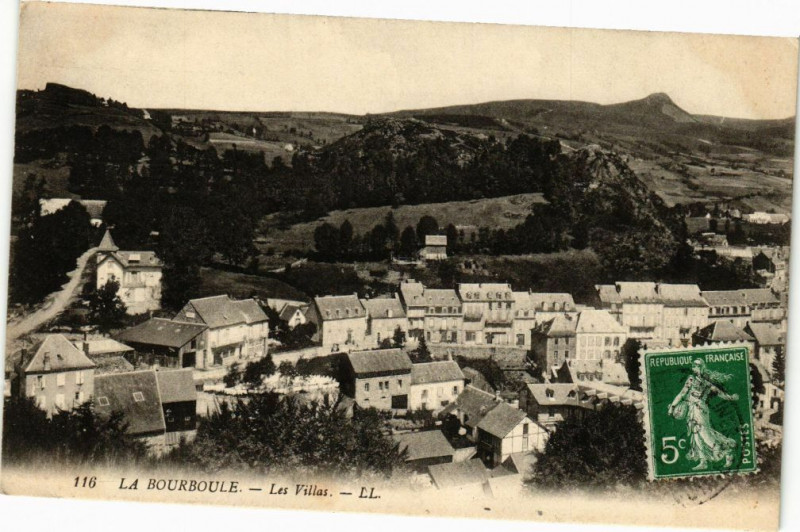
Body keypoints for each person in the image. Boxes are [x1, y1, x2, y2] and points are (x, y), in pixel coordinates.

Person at [668, 358, 739, 470]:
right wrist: (672, 406)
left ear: (701, 367)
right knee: (696, 435)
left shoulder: (706, 383)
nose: (694, 367)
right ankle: (703, 462)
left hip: (700, 409)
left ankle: (726, 452)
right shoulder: (691, 380)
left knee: (705, 433)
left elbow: (719, 392)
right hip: (691, 410)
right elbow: (682, 394)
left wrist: (730, 397)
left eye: (696, 365)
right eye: (693, 365)